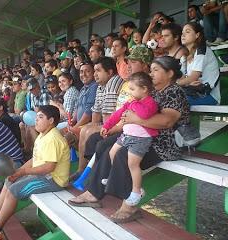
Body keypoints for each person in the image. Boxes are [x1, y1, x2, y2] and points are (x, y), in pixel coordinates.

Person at [68, 56, 190, 224]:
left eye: (156, 70)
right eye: (151, 69)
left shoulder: (174, 92)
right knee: (101, 142)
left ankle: (130, 205)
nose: (151, 73)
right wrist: (112, 128)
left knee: (122, 155)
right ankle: (94, 192)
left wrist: (134, 119)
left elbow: (166, 121)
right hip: (139, 134)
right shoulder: (152, 91)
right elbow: (128, 114)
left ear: (170, 73)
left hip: (162, 143)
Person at [0, 105, 70, 240]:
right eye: (36, 117)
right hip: (43, 176)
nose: (36, 120)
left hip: (53, 181)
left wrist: (24, 172)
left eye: (40, 117)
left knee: (14, 190)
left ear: (51, 120)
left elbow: (49, 168)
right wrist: (18, 171)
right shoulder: (43, 135)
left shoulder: (53, 138)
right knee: (10, 180)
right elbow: (34, 159)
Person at [100, 72, 158, 206]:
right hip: (126, 136)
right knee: (112, 153)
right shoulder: (132, 101)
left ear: (144, 89)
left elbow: (144, 114)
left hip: (140, 138)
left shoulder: (150, 102)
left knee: (133, 164)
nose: (130, 92)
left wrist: (133, 104)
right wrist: (107, 125)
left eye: (132, 89)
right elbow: (118, 114)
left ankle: (137, 191)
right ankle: (115, 177)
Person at [178, 22, 220, 105]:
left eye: (187, 31)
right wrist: (187, 83)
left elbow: (193, 77)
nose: (183, 35)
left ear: (197, 35)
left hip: (208, 95)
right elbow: (182, 77)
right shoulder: (184, 56)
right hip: (193, 92)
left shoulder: (202, 51)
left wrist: (174, 84)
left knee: (176, 100)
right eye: (182, 33)